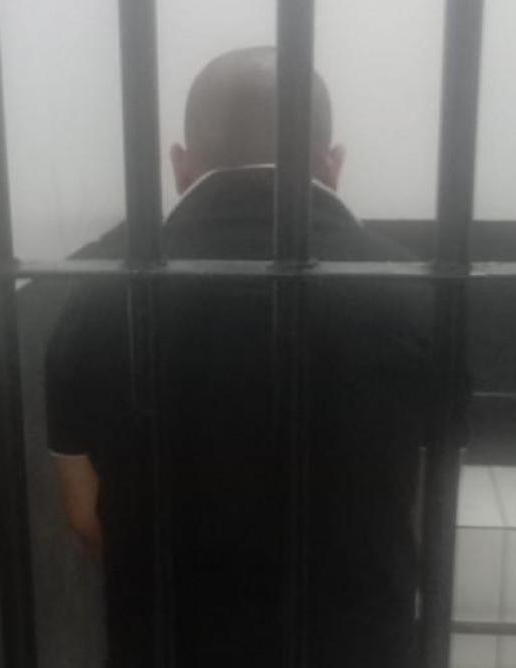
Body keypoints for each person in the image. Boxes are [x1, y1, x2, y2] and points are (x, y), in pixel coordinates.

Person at [46, 47, 433, 668]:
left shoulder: (97, 290)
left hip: (169, 641)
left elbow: (84, 517)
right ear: (333, 164)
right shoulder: (417, 287)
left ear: (180, 165)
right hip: (355, 641)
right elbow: (427, 483)